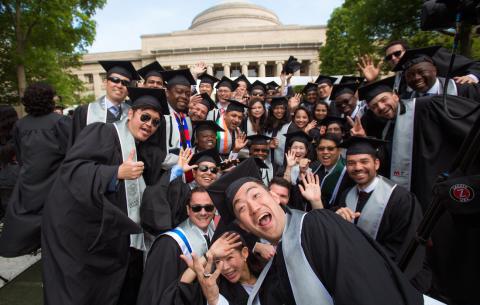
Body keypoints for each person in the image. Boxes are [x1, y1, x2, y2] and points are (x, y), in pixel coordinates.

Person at [206, 158, 438, 305]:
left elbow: (367, 291)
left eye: (256, 195)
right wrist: (215, 298)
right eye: (242, 209)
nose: (254, 207)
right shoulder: (276, 268)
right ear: (244, 226)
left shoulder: (316, 225)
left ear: (275, 197)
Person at [41, 87, 169, 305]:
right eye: (145, 117)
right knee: (81, 293)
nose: (149, 124)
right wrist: (116, 173)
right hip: (80, 234)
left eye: (156, 122)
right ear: (130, 113)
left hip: (109, 235)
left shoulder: (138, 148)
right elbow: (73, 171)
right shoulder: (103, 132)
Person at [335, 137, 424, 279]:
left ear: (376, 163)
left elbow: (404, 246)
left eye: (364, 161)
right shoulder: (346, 196)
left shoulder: (400, 198)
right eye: (351, 163)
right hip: (353, 271)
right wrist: (337, 221)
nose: (357, 167)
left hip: (387, 274)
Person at [0, 82, 70, 257]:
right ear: (49, 99)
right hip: (56, 185)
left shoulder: (20, 125)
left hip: (30, 184)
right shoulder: (61, 122)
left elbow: (21, 156)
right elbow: (72, 153)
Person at [136, 186, 217, 305]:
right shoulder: (169, 244)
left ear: (214, 209)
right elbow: (155, 293)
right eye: (196, 208)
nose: (203, 212)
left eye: (208, 207)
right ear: (188, 210)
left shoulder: (214, 233)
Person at [182, 230, 263, 305]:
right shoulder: (217, 288)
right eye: (218, 261)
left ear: (244, 253)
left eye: (229, 258)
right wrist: (209, 253)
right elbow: (180, 290)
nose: (225, 267)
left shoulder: (267, 275)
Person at [69, 60, 140, 146]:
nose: (119, 85)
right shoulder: (85, 111)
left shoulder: (132, 114)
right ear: (105, 82)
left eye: (125, 83)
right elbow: (75, 145)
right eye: (115, 80)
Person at [392, 46, 480, 100]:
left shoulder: (436, 57)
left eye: (397, 53)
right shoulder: (400, 80)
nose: (393, 58)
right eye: (389, 57)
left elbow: (475, 65)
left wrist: (472, 77)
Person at [160, 69, 196, 170]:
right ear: (167, 92)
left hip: (184, 173)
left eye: (188, 94)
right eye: (179, 92)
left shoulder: (186, 119)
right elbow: (153, 151)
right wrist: (180, 161)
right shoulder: (160, 116)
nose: (184, 97)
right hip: (164, 176)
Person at [310, 134, 354, 208]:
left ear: (339, 150)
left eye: (330, 149)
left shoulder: (348, 173)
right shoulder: (314, 167)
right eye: (321, 149)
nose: (325, 152)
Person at [264, 96, 295, 167]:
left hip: (284, 166)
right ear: (272, 110)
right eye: (276, 108)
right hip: (268, 164)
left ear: (286, 110)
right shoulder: (267, 125)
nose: (279, 111)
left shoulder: (290, 126)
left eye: (282, 108)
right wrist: (268, 144)